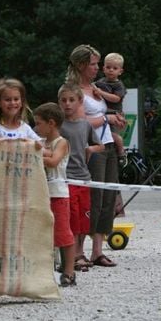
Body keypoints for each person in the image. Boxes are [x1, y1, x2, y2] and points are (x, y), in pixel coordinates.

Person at [66, 44, 126, 268]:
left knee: (108, 196)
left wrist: (116, 120)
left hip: (107, 144)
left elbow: (105, 112)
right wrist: (106, 120)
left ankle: (98, 250)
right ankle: (78, 250)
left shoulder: (96, 87)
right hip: (89, 148)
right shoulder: (72, 90)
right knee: (92, 197)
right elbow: (77, 122)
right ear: (81, 65)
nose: (97, 68)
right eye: (93, 64)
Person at [57, 83, 102, 272]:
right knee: (70, 218)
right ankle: (71, 255)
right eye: (63, 100)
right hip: (65, 178)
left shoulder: (85, 124)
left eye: (71, 100)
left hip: (84, 177)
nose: (67, 104)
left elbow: (100, 145)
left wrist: (91, 148)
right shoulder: (57, 124)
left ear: (80, 101)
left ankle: (80, 252)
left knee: (84, 218)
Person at [33, 102, 76, 286]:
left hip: (58, 194)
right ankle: (46, 269)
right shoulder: (41, 143)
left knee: (62, 233)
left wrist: (33, 155)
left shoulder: (62, 142)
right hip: (42, 194)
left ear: (51, 123)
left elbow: (54, 161)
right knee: (43, 233)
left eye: (38, 123)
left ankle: (69, 271)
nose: (36, 127)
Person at [94, 53, 128, 165]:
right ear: (103, 68)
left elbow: (116, 98)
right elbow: (92, 87)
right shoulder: (100, 82)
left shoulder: (119, 85)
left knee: (114, 135)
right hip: (103, 113)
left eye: (114, 68)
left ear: (120, 71)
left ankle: (122, 152)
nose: (111, 70)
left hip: (115, 113)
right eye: (108, 67)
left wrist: (100, 92)